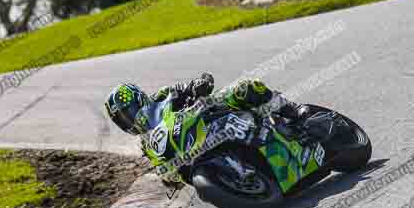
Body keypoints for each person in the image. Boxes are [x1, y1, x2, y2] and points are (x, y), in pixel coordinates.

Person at [104, 73, 304, 156]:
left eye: (127, 112)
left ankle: (293, 111)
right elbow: (167, 179)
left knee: (246, 88)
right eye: (121, 119)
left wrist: (198, 85)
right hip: (196, 146)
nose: (128, 119)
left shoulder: (162, 96)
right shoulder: (147, 146)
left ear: (140, 100)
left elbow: (189, 86)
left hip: (206, 113)